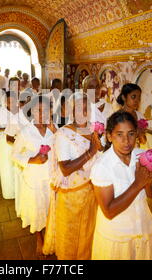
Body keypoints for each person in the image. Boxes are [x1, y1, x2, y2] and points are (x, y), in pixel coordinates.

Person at [90, 110, 152, 260]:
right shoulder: (102, 166)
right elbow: (109, 211)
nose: (126, 141)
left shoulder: (141, 155)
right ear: (109, 136)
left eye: (131, 134)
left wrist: (151, 178)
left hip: (142, 231)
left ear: (137, 134)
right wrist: (138, 183)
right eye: (119, 134)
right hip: (117, 238)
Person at [43, 93, 102, 260]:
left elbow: (100, 156)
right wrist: (91, 151)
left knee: (87, 232)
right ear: (71, 111)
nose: (83, 113)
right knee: (71, 234)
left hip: (92, 191)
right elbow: (66, 168)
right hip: (72, 195)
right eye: (78, 109)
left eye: (86, 109)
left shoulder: (92, 130)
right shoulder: (63, 134)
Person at [12, 95, 57, 256]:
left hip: (51, 176)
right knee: (38, 208)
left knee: (50, 207)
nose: (42, 113)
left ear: (51, 111)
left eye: (46, 110)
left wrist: (56, 132)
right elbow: (14, 155)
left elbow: (62, 147)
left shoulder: (53, 128)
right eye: (38, 110)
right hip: (35, 177)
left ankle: (51, 235)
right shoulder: (26, 132)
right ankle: (39, 238)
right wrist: (32, 159)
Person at [116, 83, 148, 147]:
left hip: (136, 152)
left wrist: (140, 133)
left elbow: (143, 142)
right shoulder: (116, 117)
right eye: (133, 97)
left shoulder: (140, 116)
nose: (137, 101)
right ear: (124, 97)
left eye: (139, 98)